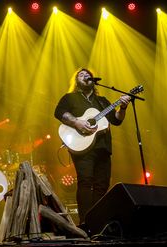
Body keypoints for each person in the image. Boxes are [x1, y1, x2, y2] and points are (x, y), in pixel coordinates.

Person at [54, 68, 130, 225]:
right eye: (81, 74)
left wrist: (122, 108)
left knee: (102, 185)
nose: (85, 75)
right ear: (76, 81)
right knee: (86, 182)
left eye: (88, 74)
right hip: (82, 146)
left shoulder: (102, 101)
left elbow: (116, 120)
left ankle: (99, 221)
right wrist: (77, 122)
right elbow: (59, 112)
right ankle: (85, 222)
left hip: (103, 147)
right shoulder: (70, 98)